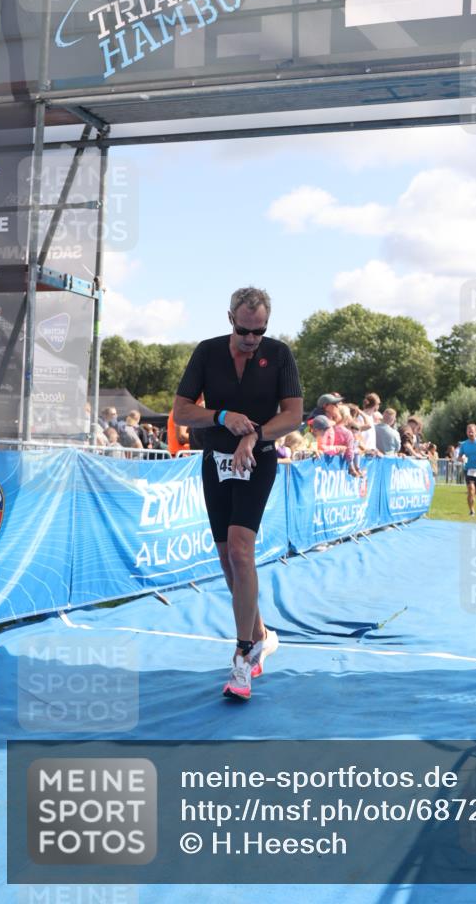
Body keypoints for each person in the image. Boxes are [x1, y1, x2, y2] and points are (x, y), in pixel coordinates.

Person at [173, 287, 303, 702]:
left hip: (258, 458)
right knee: (228, 558)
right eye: (245, 331)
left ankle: (243, 655)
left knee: (243, 550)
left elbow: (294, 415)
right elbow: (181, 411)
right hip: (215, 460)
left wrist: (256, 436)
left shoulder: (279, 354)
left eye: (259, 331)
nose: (252, 339)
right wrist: (223, 417)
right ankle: (262, 633)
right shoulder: (207, 352)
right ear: (230, 318)